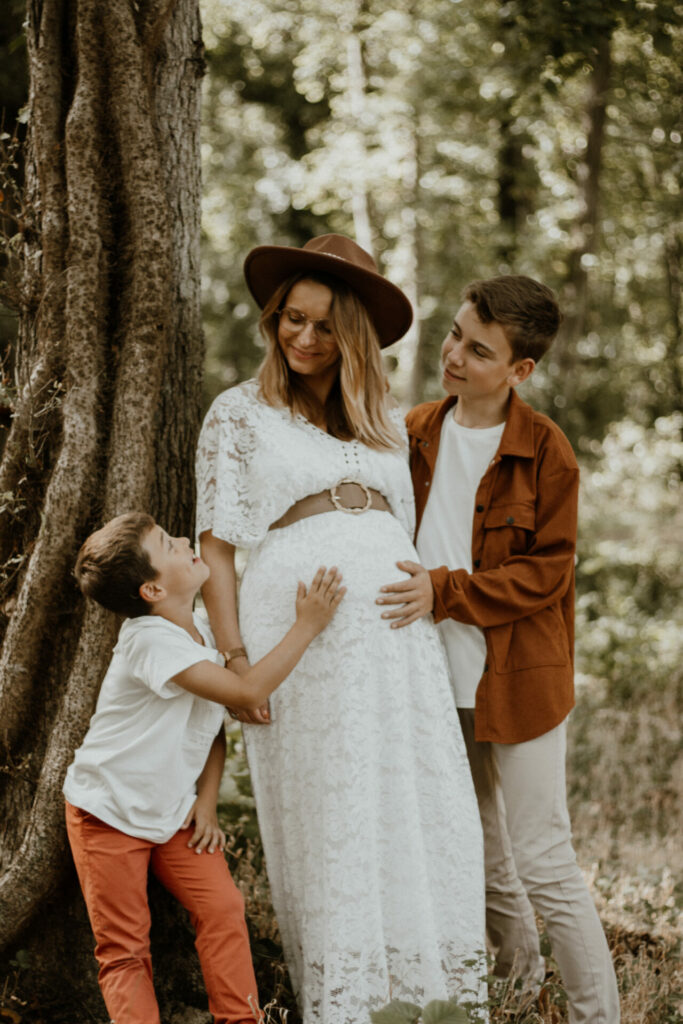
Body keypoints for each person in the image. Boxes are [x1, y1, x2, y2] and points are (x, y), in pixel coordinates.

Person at [195, 234, 487, 1024]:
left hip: (397, 639)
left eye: (324, 326)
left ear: (352, 333)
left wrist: (429, 592)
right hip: (299, 640)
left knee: (413, 797)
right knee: (333, 806)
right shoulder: (239, 414)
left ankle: (434, 995)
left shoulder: (388, 424)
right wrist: (234, 659)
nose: (303, 338)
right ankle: (349, 1001)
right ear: (272, 317)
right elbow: (215, 548)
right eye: (292, 318)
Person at [377, 275, 620, 1024]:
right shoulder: (412, 430)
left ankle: (594, 1015)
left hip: (517, 679)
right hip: (429, 677)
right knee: (476, 853)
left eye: (477, 350)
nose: (452, 355)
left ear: (520, 370)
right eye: (454, 335)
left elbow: (545, 574)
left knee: (542, 862)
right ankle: (516, 992)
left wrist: (446, 591)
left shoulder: (546, 452)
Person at [63, 510, 344, 1024]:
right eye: (169, 545)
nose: (185, 540)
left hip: (173, 813)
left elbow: (211, 726)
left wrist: (207, 801)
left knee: (222, 909)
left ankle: (240, 1019)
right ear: (151, 591)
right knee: (125, 949)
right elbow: (246, 692)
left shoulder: (198, 639)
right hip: (107, 812)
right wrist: (308, 625)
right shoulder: (149, 641)